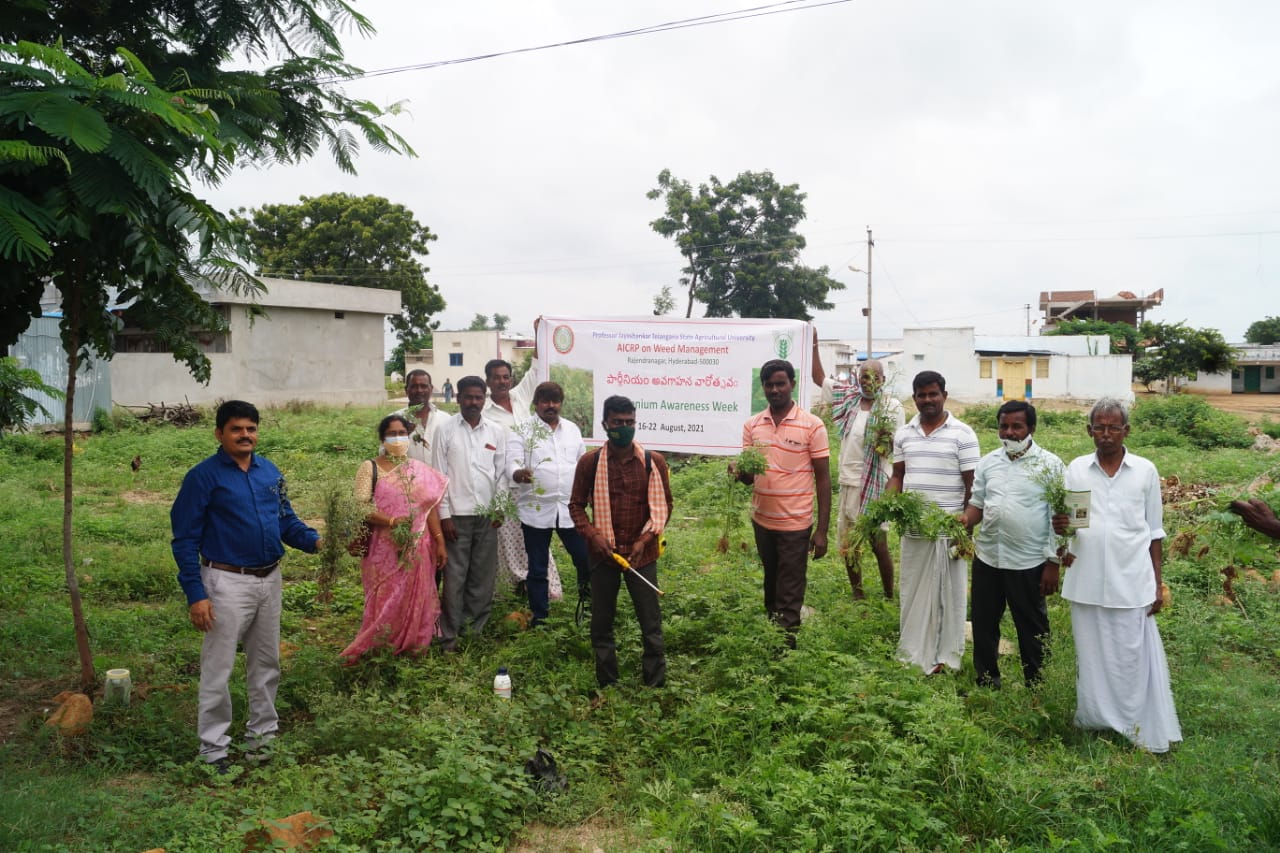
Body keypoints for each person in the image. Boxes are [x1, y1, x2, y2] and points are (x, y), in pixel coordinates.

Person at [171, 400, 320, 771]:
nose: (245, 435)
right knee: (218, 669)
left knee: (266, 664)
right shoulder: (203, 477)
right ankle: (214, 751)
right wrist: (196, 594)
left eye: (251, 428)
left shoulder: (269, 472)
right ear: (219, 433)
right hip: (225, 583)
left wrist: (318, 542)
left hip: (269, 580)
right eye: (236, 429)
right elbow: (184, 539)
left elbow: (287, 522)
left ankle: (262, 741)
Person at [1054, 398, 1181, 753]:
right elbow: (1072, 526)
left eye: (1113, 427)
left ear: (1126, 431)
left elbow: (1154, 533)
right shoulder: (1077, 470)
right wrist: (1060, 531)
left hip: (1132, 580)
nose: (1106, 434)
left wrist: (1157, 583)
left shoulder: (1144, 471)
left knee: (1130, 656)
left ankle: (1135, 725)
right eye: (1099, 427)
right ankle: (1095, 719)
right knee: (1091, 654)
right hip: (1087, 578)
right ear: (1089, 430)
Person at [569, 395, 672, 688]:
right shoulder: (590, 463)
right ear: (605, 424)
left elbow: (665, 508)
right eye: (617, 423)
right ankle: (608, 683)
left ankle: (655, 684)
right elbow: (575, 505)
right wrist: (593, 535)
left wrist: (644, 540)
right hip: (604, 556)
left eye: (629, 422)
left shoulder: (654, 463)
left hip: (643, 555)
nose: (624, 428)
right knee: (602, 622)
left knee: (650, 623)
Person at [960, 400, 1063, 688]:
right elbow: (977, 504)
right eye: (1004, 426)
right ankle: (987, 681)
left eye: (1017, 426)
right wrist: (965, 521)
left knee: (1032, 628)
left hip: (1028, 562)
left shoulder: (1051, 466)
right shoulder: (988, 462)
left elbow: (1059, 517)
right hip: (988, 558)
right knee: (984, 625)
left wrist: (1053, 563)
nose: (1010, 433)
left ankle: (1037, 685)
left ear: (1031, 428)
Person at [886, 370, 980, 675]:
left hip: (948, 533)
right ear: (914, 398)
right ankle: (913, 652)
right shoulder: (903, 434)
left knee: (948, 597)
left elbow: (973, 487)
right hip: (913, 531)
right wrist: (889, 503)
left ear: (944, 395)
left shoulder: (963, 434)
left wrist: (964, 528)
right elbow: (898, 476)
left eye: (933, 394)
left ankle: (945, 657)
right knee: (912, 592)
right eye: (922, 395)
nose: (927, 400)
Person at [735, 359, 831, 647]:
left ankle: (784, 651)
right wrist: (739, 470)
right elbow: (749, 479)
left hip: (795, 522)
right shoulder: (753, 425)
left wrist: (822, 530)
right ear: (763, 387)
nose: (775, 389)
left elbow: (824, 479)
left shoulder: (812, 425)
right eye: (769, 384)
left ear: (792, 384)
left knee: (789, 588)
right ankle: (772, 633)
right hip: (762, 520)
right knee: (771, 581)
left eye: (780, 383)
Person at [340, 415, 449, 661]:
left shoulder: (418, 470)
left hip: (418, 545)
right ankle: (380, 644)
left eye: (402, 433)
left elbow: (428, 508)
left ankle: (413, 644)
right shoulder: (370, 467)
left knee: (415, 593)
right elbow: (361, 507)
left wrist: (440, 541)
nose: (398, 438)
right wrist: (391, 522)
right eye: (392, 433)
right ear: (382, 438)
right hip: (382, 546)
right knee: (384, 594)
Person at [811, 337, 905, 599]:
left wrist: (882, 435)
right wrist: (814, 345)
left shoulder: (891, 407)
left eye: (874, 377)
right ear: (857, 378)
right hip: (848, 481)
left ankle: (888, 595)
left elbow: (891, 449)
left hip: (875, 483)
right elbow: (819, 378)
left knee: (878, 543)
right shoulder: (849, 398)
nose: (868, 381)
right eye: (864, 377)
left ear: (883, 380)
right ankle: (858, 595)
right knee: (849, 544)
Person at [431, 376, 508, 650]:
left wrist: (499, 507)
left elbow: (501, 474)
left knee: (482, 578)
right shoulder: (445, 429)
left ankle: (473, 632)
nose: (473, 402)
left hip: (487, 516)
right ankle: (448, 637)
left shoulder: (496, 431)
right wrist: (444, 515)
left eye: (478, 397)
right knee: (454, 579)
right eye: (468, 397)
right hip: (456, 517)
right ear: (458, 397)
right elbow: (438, 475)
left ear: (484, 398)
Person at [509, 381, 589, 625]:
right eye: (545, 400)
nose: (551, 405)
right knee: (537, 567)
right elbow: (511, 463)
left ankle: (588, 609)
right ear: (536, 404)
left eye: (555, 401)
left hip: (569, 509)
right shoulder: (522, 430)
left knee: (585, 558)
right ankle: (540, 618)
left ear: (561, 403)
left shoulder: (573, 430)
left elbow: (583, 464)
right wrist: (518, 473)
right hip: (535, 510)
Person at [391, 370, 442, 462]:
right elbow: (384, 457)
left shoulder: (445, 420)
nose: (419, 390)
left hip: (438, 476)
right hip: (406, 476)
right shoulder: (393, 420)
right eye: (414, 386)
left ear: (431, 389)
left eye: (424, 386)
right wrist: (403, 436)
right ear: (406, 390)